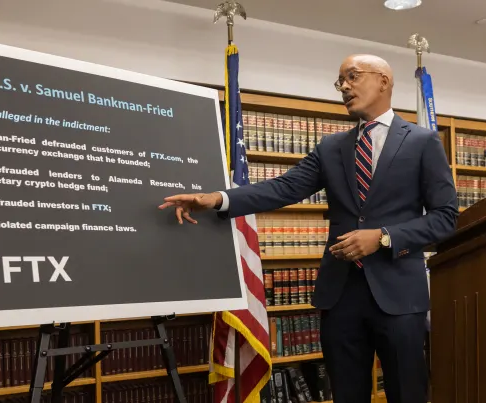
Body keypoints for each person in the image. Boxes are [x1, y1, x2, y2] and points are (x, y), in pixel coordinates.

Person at [158, 54, 458, 403]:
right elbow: (283, 188)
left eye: (353, 76)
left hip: (400, 297)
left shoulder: (423, 142)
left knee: (407, 394)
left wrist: (383, 237)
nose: (344, 86)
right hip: (340, 295)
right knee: (346, 394)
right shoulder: (331, 148)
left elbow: (445, 217)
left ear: (384, 81)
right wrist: (217, 199)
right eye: (339, 81)